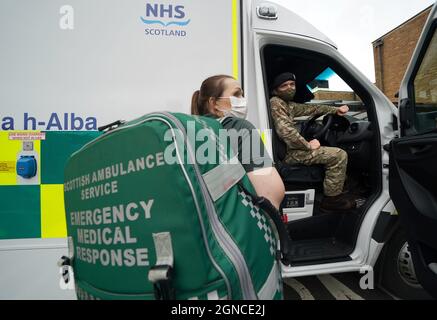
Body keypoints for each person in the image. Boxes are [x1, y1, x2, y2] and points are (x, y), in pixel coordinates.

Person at [191, 75, 285, 209]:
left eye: (242, 95)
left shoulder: (193, 131)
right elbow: (269, 195)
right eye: (236, 94)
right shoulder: (239, 127)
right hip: (242, 222)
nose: (243, 100)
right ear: (214, 104)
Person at [269, 72, 355, 212]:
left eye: (292, 84)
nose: (290, 88)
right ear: (275, 90)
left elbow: (312, 109)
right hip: (288, 154)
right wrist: (308, 145)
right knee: (338, 155)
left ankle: (338, 188)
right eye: (284, 86)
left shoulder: (288, 105)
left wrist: (335, 110)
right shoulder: (276, 103)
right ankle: (332, 200)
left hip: (288, 150)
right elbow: (286, 132)